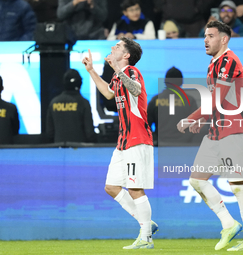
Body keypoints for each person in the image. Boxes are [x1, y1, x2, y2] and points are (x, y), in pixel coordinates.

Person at [177, 20, 243, 251]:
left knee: (238, 186)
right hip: (216, 132)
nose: (205, 40)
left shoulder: (229, 60)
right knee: (196, 180)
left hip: (235, 130)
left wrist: (192, 117)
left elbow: (217, 99)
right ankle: (229, 223)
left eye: (210, 36)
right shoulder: (214, 64)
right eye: (204, 35)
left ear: (224, 39)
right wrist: (203, 119)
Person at [82, 37, 158, 249]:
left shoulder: (132, 71)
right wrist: (91, 70)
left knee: (135, 189)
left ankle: (146, 239)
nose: (113, 47)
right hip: (123, 142)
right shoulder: (118, 77)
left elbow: (136, 89)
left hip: (138, 139)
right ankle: (145, 224)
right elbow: (108, 93)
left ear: (126, 55)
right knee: (111, 187)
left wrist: (117, 68)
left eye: (118, 46)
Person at [147, 66, 198, 145]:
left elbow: (146, 125)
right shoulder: (189, 101)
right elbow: (196, 124)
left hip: (160, 146)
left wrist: (155, 139)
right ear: (181, 82)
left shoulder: (155, 100)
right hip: (184, 146)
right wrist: (185, 140)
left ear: (165, 82)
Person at [46, 69, 97, 143]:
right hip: (79, 150)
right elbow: (89, 133)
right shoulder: (83, 103)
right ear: (80, 83)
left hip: (58, 149)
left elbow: (49, 133)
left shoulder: (54, 102)